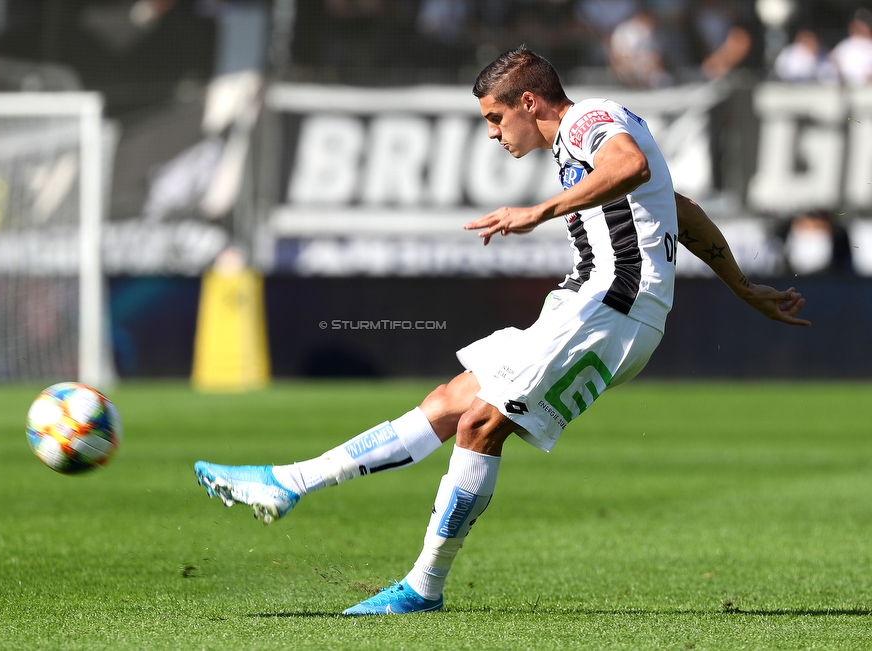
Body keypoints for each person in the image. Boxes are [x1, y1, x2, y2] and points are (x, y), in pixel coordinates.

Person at [193, 45, 810, 616]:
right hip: (587, 302)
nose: (493, 134)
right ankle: (289, 484)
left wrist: (538, 212)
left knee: (480, 424)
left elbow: (630, 164)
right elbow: (682, 210)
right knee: (450, 402)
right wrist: (742, 286)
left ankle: (422, 588)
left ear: (530, 103)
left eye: (495, 118)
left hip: (612, 309)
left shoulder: (590, 122)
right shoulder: (583, 137)